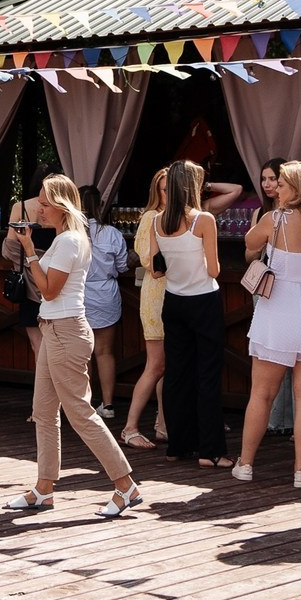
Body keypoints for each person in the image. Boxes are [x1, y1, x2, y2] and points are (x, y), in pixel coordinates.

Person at [2, 175, 145, 519]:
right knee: (44, 410)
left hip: (66, 331)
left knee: (79, 412)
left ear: (62, 205)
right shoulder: (65, 239)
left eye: (45, 202)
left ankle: (125, 486)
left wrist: (29, 252)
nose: (39, 208)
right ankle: (44, 489)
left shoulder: (67, 241)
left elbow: (48, 290)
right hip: (57, 329)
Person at [236, 159, 301, 489]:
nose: (276, 189)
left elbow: (250, 244)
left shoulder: (274, 219)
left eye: (281, 184)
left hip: (277, 310)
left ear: (296, 188)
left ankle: (246, 463)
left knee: (262, 393)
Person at [157, 159, 246, 469]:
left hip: (174, 300)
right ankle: (211, 451)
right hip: (203, 299)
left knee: (176, 376)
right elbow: (214, 269)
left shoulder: (158, 221)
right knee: (207, 376)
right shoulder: (203, 219)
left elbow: (159, 266)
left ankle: (177, 446)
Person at [121, 167, 170, 450]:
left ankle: (163, 425)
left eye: (172, 189)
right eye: (164, 189)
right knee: (155, 365)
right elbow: (150, 263)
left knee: (166, 365)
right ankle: (130, 427)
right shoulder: (151, 218)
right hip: (157, 296)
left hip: (172, 296)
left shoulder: (174, 218)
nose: (168, 194)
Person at [79, 185, 128, 422]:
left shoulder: (71, 234)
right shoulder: (112, 234)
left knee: (82, 353)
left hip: (80, 294)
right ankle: (107, 404)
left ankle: (84, 404)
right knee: (104, 352)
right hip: (106, 292)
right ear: (100, 206)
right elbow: (122, 267)